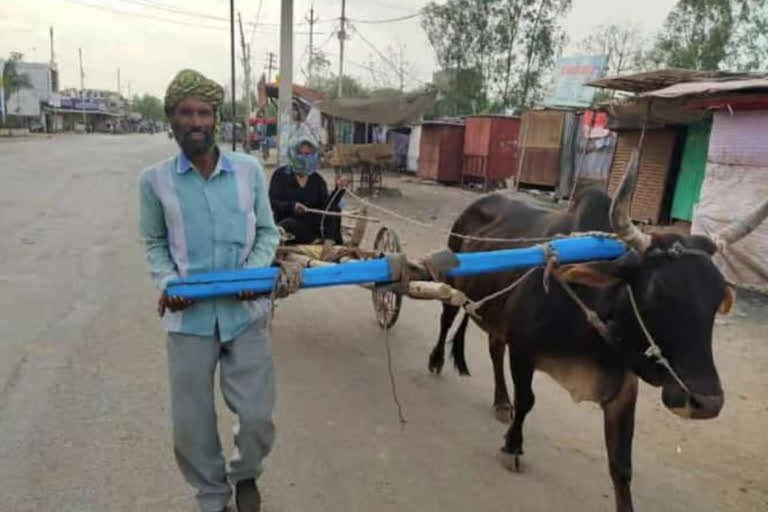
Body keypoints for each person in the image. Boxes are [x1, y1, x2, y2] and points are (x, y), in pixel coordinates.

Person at [138, 69, 280, 512]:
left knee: (256, 416)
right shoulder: (154, 182)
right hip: (189, 319)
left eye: (204, 112)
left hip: (245, 314)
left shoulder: (249, 170)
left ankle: (246, 474)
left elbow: (269, 235)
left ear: (216, 119)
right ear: (171, 119)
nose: (196, 121)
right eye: (186, 113)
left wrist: (251, 278)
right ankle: (213, 496)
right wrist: (169, 283)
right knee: (191, 426)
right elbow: (156, 244)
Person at [268, 135, 348, 246]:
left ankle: (330, 244)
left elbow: (326, 206)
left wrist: (339, 190)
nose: (304, 158)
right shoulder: (280, 175)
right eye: (300, 154)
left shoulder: (317, 179)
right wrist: (292, 206)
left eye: (307, 154)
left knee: (335, 209)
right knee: (287, 225)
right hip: (289, 225)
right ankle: (315, 241)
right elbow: (272, 203)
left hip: (312, 226)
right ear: (293, 155)